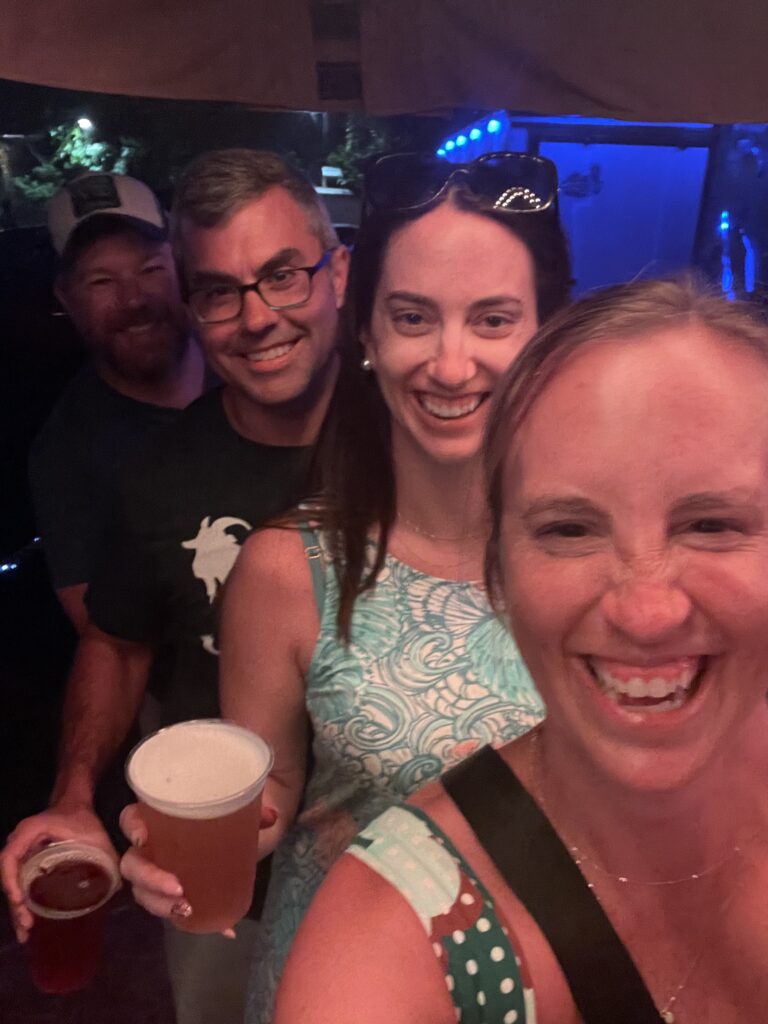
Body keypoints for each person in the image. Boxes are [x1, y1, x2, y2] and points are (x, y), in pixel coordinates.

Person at [120, 150, 573, 1023]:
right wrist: (185, 849)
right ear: (364, 330)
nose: (449, 363)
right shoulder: (287, 569)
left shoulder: (607, 562)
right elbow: (271, 796)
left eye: (492, 318)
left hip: (544, 990)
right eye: (412, 316)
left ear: (548, 331)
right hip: (335, 993)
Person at [273, 276, 768, 1024]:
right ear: (498, 573)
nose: (645, 610)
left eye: (711, 524)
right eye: (569, 529)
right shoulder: (389, 953)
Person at [1, 149, 350, 1024]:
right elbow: (114, 640)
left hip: (398, 846)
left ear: (336, 270)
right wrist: (75, 794)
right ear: (195, 308)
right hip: (219, 866)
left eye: (282, 275)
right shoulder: (158, 473)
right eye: (221, 291)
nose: (257, 317)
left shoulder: (415, 433)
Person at [30, 171, 205, 633]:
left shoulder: (248, 364)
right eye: (102, 281)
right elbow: (104, 639)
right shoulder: (66, 455)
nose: (134, 299)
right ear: (66, 298)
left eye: (150, 269)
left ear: (181, 266)